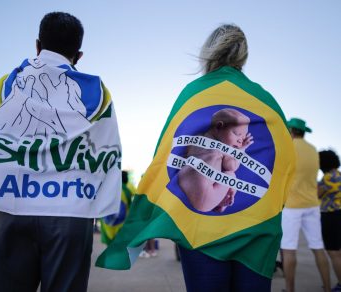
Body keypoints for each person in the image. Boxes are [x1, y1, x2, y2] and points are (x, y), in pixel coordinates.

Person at [96, 24, 295, 292]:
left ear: (207, 53)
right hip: (254, 229)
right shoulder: (265, 100)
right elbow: (284, 163)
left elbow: (166, 155)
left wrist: (148, 203)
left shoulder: (194, 93)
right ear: (243, 57)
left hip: (201, 230)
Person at [0, 12, 122, 292]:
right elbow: (107, 152)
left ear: (37, 45)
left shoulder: (4, 86)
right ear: (79, 54)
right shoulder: (99, 93)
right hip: (71, 212)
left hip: (12, 206)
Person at [281, 117, 331, 292]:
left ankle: (290, 289)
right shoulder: (313, 150)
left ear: (292, 131)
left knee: (288, 249)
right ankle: (327, 288)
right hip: (312, 204)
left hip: (292, 205)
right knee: (318, 247)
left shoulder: (288, 147)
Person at [179, 108, 253, 212]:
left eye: (243, 138)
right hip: (204, 200)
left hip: (183, 185)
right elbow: (231, 166)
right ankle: (221, 203)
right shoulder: (223, 148)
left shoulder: (197, 138)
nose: (240, 140)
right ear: (219, 126)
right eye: (237, 134)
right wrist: (241, 150)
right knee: (231, 175)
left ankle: (218, 199)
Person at [318, 149, 341, 291]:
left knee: (334, 252)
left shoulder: (327, 178)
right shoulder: (338, 175)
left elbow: (316, 194)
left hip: (331, 216)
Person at [100, 171, 134, 245]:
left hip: (107, 223)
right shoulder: (126, 190)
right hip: (121, 223)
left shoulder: (107, 188)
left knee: (109, 246)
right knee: (119, 246)